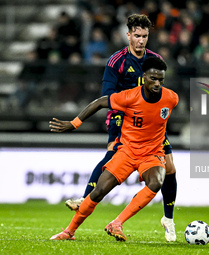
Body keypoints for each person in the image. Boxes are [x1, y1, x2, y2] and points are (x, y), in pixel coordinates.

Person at [64, 14, 178, 241]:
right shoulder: (117, 61)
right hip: (121, 115)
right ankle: (85, 198)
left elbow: (161, 95)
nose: (141, 40)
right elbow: (107, 97)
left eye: (145, 36)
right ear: (129, 35)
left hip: (149, 122)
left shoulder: (154, 61)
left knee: (170, 168)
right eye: (137, 36)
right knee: (112, 152)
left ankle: (168, 218)